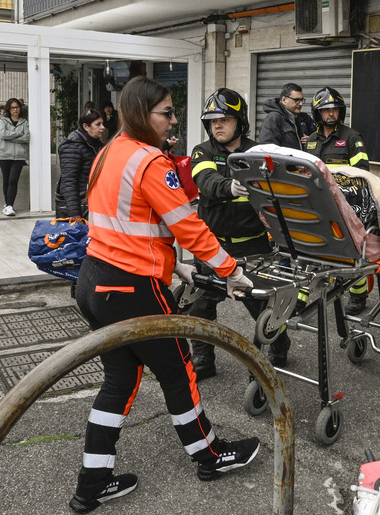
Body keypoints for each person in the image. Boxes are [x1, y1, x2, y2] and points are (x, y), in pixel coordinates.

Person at [68, 77, 259, 513]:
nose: (174, 121)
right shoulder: (149, 161)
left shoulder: (109, 153)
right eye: (167, 113)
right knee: (178, 372)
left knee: (119, 381)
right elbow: (186, 225)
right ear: (141, 114)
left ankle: (91, 483)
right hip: (134, 288)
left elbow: (123, 225)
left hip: (94, 281)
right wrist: (230, 270)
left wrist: (176, 267)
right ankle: (209, 456)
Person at [188, 88, 291, 378]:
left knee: (261, 307)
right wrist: (229, 187)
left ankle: (279, 348)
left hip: (254, 248)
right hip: (213, 247)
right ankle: (204, 361)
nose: (216, 125)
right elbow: (205, 180)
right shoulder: (203, 151)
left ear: (239, 121)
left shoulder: (258, 153)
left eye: (224, 119)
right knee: (201, 307)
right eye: (212, 121)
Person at [304, 86, 370, 315]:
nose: (331, 114)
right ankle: (302, 296)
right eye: (326, 110)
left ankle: (359, 294)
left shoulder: (352, 138)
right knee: (309, 249)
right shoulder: (311, 140)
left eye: (335, 110)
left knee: (347, 251)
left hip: (344, 204)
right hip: (316, 204)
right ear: (318, 114)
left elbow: (362, 173)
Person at [56, 109, 106, 222]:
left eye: (102, 124)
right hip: (79, 206)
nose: (102, 127)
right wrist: (74, 212)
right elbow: (69, 181)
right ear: (86, 126)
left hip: (92, 203)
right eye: (98, 124)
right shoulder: (72, 146)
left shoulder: (97, 144)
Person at [0, 98, 30, 217]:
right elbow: (3, 134)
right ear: (8, 109)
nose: (15, 110)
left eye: (17, 107)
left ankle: (9, 205)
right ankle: (8, 204)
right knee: (6, 180)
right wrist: (17, 134)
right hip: (5, 155)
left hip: (19, 156)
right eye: (13, 108)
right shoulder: (4, 120)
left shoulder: (24, 122)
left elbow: (26, 137)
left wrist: (11, 137)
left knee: (13, 180)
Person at [258, 82, 315, 149]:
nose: (301, 104)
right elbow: (268, 149)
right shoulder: (274, 118)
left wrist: (311, 142)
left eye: (302, 100)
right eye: (296, 100)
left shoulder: (302, 119)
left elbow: (317, 142)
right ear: (284, 100)